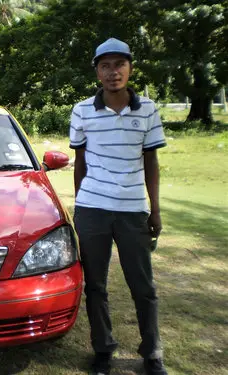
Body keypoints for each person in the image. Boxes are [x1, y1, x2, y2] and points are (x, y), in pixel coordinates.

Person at [69, 38, 168, 375]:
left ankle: (152, 353)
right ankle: (103, 349)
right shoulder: (82, 110)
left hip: (132, 210)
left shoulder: (148, 109)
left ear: (130, 68)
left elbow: (151, 162)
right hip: (93, 210)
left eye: (119, 64)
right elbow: (79, 162)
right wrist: (82, 204)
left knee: (143, 285)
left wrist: (154, 210)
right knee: (96, 285)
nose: (113, 72)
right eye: (105, 66)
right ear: (97, 71)